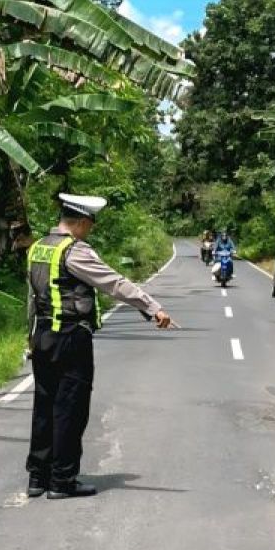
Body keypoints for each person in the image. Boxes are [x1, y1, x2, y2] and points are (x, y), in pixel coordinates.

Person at [24, 193, 173, 499]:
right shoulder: (75, 252)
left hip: (42, 338)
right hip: (70, 339)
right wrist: (152, 307)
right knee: (70, 409)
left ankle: (37, 477)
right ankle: (62, 481)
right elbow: (114, 282)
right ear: (79, 222)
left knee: (44, 406)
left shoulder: (38, 248)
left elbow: (31, 299)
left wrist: (30, 336)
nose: (89, 230)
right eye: (89, 225)